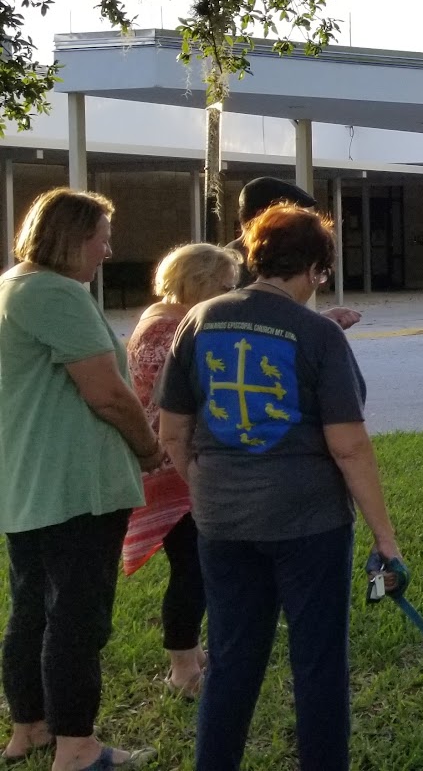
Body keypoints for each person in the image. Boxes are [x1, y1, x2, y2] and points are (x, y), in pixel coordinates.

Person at [155, 203, 405, 771]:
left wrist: (207, 490)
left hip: (221, 523)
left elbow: (172, 432)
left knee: (232, 658)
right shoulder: (318, 335)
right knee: (318, 662)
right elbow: (348, 446)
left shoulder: (198, 320)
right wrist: (385, 539)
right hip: (309, 523)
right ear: (317, 268)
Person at [1, 189, 161, 771]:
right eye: (102, 236)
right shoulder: (55, 292)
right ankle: (77, 747)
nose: (109, 248)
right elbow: (108, 394)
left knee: (32, 611)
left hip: (29, 484)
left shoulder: (14, 285)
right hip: (75, 485)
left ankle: (31, 729)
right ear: (70, 237)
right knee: (77, 617)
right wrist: (148, 449)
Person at [124, 242, 241, 700]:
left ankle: (191, 653)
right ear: (196, 282)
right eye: (224, 287)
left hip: (180, 462)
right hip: (172, 465)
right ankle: (181, 668)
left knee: (197, 567)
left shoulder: (172, 319)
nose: (230, 295)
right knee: (191, 568)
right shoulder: (166, 329)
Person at [230, 176, 361, 330]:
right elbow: (258, 325)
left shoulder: (267, 255)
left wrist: (320, 320)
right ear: (264, 216)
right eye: (289, 214)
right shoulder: (235, 263)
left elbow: (278, 318)